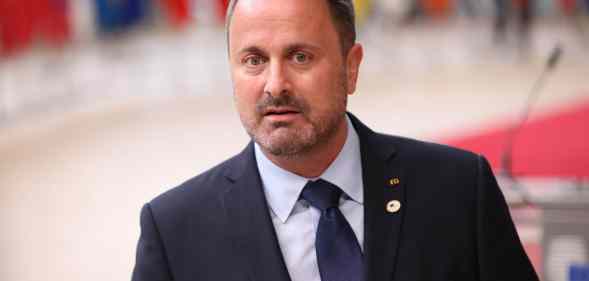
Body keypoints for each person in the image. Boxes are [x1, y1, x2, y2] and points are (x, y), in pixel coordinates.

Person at [131, 0, 540, 280]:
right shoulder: (174, 232)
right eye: (254, 60)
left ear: (351, 67)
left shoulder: (459, 191)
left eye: (300, 57)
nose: (275, 85)